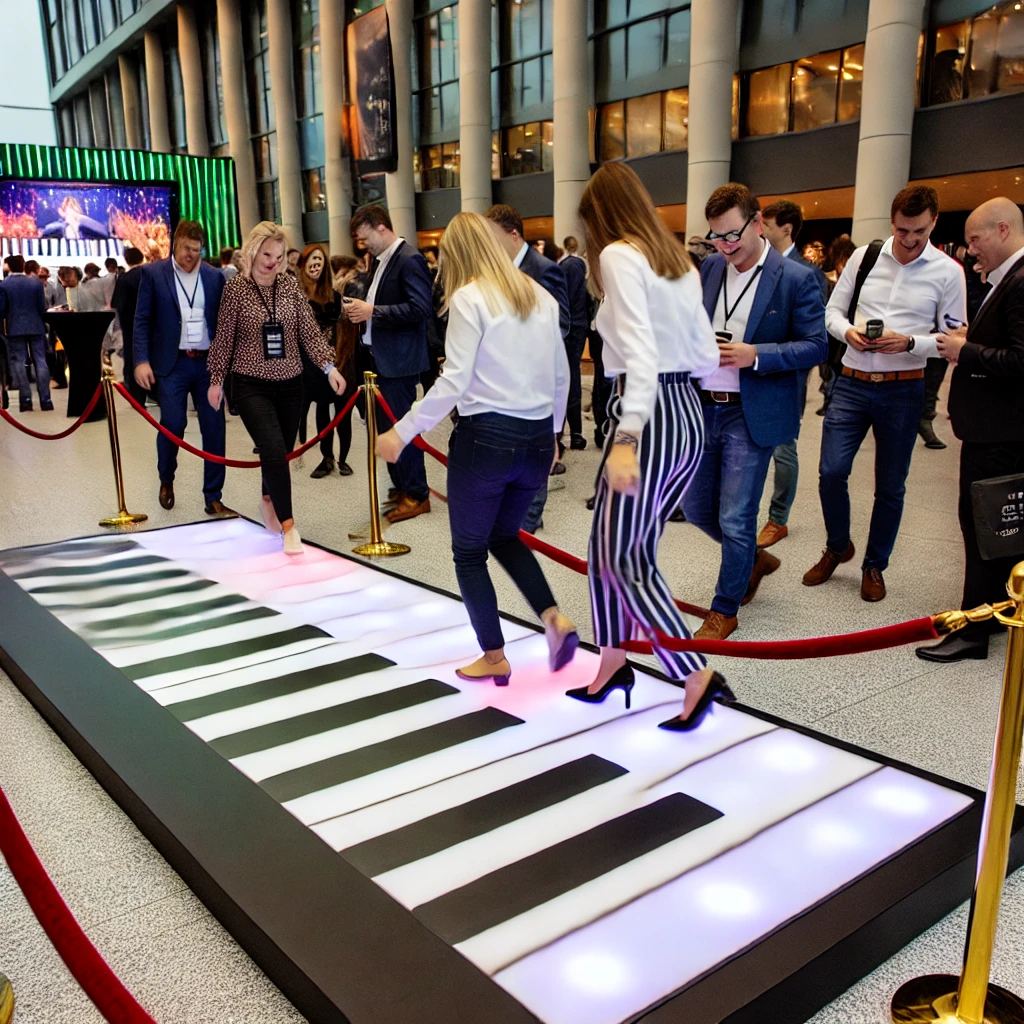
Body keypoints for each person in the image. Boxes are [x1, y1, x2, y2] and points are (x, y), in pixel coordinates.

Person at [375, 212, 578, 686]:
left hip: (485, 439)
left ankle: (493, 655)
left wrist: (401, 432)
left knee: (469, 554)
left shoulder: (470, 298)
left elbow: (454, 381)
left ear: (458, 255)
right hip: (533, 441)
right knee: (505, 536)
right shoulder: (540, 296)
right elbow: (562, 375)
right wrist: (552, 436)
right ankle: (553, 618)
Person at [570, 162, 730, 729]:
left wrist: (629, 435)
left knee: (625, 556)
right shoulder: (676, 261)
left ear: (600, 216)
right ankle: (613, 661)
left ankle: (695, 675)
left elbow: (638, 353)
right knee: (607, 546)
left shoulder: (618, 255)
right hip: (687, 409)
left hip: (649, 414)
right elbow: (707, 355)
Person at [804, 185, 967, 602]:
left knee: (890, 486)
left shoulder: (948, 271)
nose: (909, 239)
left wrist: (909, 343)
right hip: (852, 382)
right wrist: (850, 333)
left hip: (903, 389)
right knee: (830, 472)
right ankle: (838, 545)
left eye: (919, 231)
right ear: (891, 221)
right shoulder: (866, 257)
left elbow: (954, 337)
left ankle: (875, 564)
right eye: (901, 229)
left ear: (933, 223)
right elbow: (832, 313)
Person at [682, 183, 827, 639]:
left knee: (736, 516)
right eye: (716, 238)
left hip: (751, 411)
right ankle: (753, 558)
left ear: (757, 222)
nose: (725, 247)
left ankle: (725, 608)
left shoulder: (796, 277)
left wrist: (756, 355)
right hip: (704, 405)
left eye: (732, 236)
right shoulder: (709, 267)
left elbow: (816, 345)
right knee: (695, 507)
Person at [917, 197, 1024, 663]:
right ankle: (999, 612)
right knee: (998, 531)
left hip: (1000, 435)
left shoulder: (1020, 284)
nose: (969, 250)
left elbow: (1021, 361)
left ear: (1003, 230)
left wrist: (965, 350)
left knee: (982, 529)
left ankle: (973, 630)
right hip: (999, 431)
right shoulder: (1007, 281)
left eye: (975, 240)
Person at [209, 222, 345, 554]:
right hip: (249, 382)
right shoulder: (236, 289)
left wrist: (329, 367)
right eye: (267, 254)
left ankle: (268, 498)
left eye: (279, 255)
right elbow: (224, 338)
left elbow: (309, 332)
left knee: (279, 451)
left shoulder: (288, 285)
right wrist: (215, 380)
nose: (272, 261)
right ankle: (289, 527)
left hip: (290, 384)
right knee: (271, 448)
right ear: (253, 252)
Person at [133, 219, 229, 516]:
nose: (192, 256)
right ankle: (167, 478)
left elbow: (224, 324)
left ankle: (213, 495)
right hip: (171, 364)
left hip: (208, 364)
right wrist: (140, 360)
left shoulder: (215, 277)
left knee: (214, 429)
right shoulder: (153, 274)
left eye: (197, 250)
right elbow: (142, 320)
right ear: (175, 243)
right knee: (173, 424)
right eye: (187, 249)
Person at [344, 204, 434, 523]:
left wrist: (372, 313)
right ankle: (402, 488)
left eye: (364, 236)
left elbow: (420, 309)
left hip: (399, 363)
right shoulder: (380, 261)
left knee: (402, 430)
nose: (361, 243)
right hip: (380, 360)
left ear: (380, 227)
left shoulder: (410, 259)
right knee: (387, 430)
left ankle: (418, 494)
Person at [485, 203, 571, 534]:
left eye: (492, 240)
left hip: (536, 382)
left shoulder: (544, 269)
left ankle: (527, 526)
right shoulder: (496, 274)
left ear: (514, 234)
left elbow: (561, 324)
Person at [755, 199, 829, 549]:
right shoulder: (754, 267)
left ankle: (778, 517)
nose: (760, 231)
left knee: (784, 448)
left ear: (786, 229)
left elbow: (813, 339)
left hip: (786, 376)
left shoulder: (808, 274)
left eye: (765, 226)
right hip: (751, 372)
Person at [296, 242, 357, 479]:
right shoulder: (297, 296)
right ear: (305, 263)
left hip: (337, 359)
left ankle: (343, 459)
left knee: (343, 409)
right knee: (322, 409)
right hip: (311, 364)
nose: (316, 265)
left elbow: (347, 326)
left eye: (320, 261)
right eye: (313, 260)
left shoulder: (335, 295)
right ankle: (326, 457)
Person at [0, 254, 51, 412]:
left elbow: (2, 310)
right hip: (36, 325)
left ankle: (26, 399)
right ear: (23, 265)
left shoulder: (4, 285)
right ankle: (45, 399)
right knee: (40, 360)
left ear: (9, 266)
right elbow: (42, 307)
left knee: (19, 361)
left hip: (15, 327)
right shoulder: (35, 283)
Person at [559, 236, 590, 451]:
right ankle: (575, 433)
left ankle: (566, 433)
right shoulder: (581, 266)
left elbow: (565, 298)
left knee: (566, 377)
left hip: (569, 326)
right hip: (579, 324)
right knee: (573, 374)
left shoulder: (567, 266)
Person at [111, 247, 147, 406]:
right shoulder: (149, 274)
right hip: (150, 324)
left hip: (129, 325)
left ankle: (136, 396)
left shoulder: (123, 279)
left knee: (132, 358)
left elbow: (117, 304)